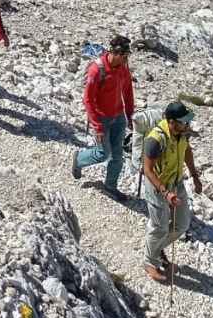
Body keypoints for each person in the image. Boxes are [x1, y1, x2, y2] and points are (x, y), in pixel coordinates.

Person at [141, 101, 202, 283]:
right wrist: (165, 193)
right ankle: (149, 261)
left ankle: (157, 249)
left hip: (177, 183)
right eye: (183, 122)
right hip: (158, 187)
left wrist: (195, 176)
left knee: (181, 225)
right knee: (159, 226)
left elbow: (187, 152)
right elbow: (148, 170)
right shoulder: (155, 140)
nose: (187, 125)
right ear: (172, 122)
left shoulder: (182, 134)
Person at [70, 35, 135, 195]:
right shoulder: (97, 70)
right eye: (125, 56)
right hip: (102, 118)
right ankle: (79, 159)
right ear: (117, 53)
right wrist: (97, 127)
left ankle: (110, 186)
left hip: (118, 116)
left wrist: (129, 114)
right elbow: (88, 99)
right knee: (103, 153)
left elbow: (127, 91)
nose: (126, 59)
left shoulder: (123, 69)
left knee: (117, 156)